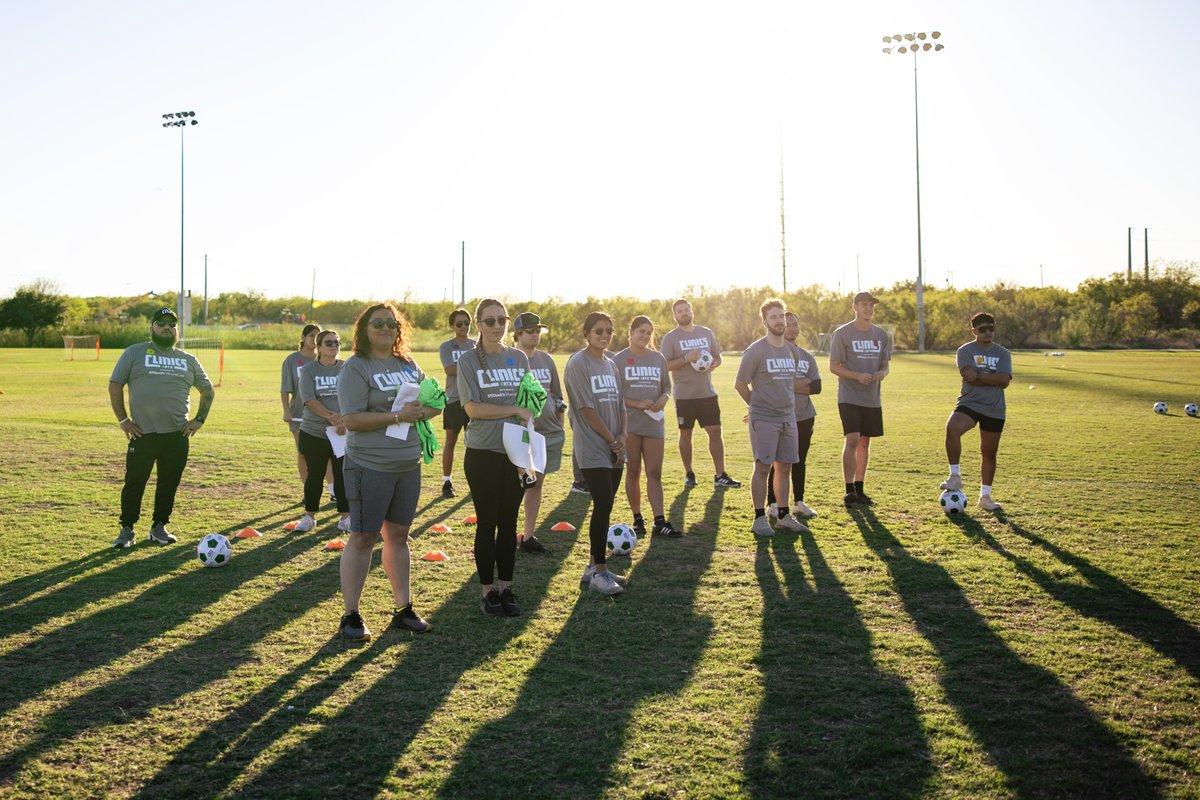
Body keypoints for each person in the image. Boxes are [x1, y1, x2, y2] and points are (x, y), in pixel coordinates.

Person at [336, 303, 438, 640]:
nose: (385, 329)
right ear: (364, 329)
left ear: (399, 329)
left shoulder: (408, 363)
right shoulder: (356, 367)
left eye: (391, 324)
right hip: (370, 464)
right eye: (377, 323)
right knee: (364, 537)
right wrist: (397, 417)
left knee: (398, 537)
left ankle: (402, 609)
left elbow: (427, 403)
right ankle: (351, 615)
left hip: (407, 465)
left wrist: (427, 409)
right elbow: (350, 419)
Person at [109, 307, 215, 548]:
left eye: (172, 324)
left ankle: (159, 527)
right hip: (143, 433)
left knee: (169, 482)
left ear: (177, 330)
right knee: (135, 482)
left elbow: (207, 390)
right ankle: (127, 530)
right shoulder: (134, 353)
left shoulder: (188, 359)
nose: (167, 327)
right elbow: (115, 385)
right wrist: (124, 420)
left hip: (177, 435)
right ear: (152, 328)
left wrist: (199, 419)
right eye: (161, 323)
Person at [457, 299, 531, 616]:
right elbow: (472, 408)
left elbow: (529, 404)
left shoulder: (519, 358)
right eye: (490, 321)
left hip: (514, 453)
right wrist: (513, 410)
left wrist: (530, 431)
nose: (497, 326)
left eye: (502, 319)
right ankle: (487, 593)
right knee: (487, 523)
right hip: (483, 452)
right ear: (479, 325)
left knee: (509, 521)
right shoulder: (469, 361)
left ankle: (506, 589)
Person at [565, 312, 629, 595]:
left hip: (615, 445)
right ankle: (600, 573)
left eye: (608, 331)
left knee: (607, 504)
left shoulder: (612, 364)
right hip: (593, 446)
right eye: (598, 331)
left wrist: (622, 437)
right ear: (587, 333)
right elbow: (586, 409)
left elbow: (621, 405)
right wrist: (610, 439)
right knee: (602, 503)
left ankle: (592, 567)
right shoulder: (578, 363)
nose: (604, 335)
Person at [735, 299, 809, 537]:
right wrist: (755, 407)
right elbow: (739, 384)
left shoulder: (792, 350)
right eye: (774, 317)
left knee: (785, 467)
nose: (779, 321)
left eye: (781, 316)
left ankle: (783, 516)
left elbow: (788, 385)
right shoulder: (756, 351)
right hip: (764, 419)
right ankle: (759, 518)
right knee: (763, 467)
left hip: (789, 417)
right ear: (765, 321)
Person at [659, 298, 741, 489]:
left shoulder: (706, 333)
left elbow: (718, 356)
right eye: (679, 311)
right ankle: (689, 473)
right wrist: (686, 358)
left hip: (707, 393)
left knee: (715, 431)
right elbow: (664, 365)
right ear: (675, 315)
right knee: (685, 433)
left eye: (686, 309)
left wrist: (714, 363)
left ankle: (720, 475)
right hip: (684, 395)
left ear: (691, 311)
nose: (684, 313)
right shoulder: (671, 338)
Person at [614, 315, 680, 539]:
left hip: (654, 424)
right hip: (629, 424)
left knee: (655, 472)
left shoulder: (658, 358)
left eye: (648, 332)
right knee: (633, 471)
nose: (644, 335)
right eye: (640, 331)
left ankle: (659, 521)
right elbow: (614, 396)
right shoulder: (619, 359)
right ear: (630, 333)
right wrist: (636, 403)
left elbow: (666, 387)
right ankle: (638, 518)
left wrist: (664, 398)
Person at [939, 312, 1012, 511]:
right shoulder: (965, 351)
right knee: (952, 428)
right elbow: (969, 377)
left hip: (994, 408)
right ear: (974, 331)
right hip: (970, 403)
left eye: (991, 328)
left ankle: (985, 498)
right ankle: (955, 476)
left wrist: (979, 375)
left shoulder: (1003, 353)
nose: (988, 332)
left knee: (988, 452)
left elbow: (1004, 380)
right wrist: (991, 377)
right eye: (983, 329)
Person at [828, 292, 891, 507]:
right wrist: (857, 376)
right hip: (849, 396)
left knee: (865, 442)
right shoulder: (842, 334)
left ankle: (860, 488)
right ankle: (849, 491)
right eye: (864, 305)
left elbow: (885, 364)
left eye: (871, 305)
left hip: (872, 398)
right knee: (852, 439)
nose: (868, 309)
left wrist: (882, 373)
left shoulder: (881, 335)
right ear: (855, 307)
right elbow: (834, 366)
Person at [512, 311, 565, 553]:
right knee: (517, 485)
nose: (535, 335)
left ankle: (528, 535)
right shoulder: (509, 359)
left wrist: (560, 422)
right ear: (518, 334)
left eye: (538, 331)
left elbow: (558, 396)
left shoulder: (546, 360)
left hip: (546, 432)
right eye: (530, 331)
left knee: (537, 483)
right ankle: (507, 532)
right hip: (519, 432)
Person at [295, 329, 351, 534]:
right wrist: (332, 417)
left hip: (342, 431)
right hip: (314, 431)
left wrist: (344, 419)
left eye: (337, 341)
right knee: (315, 475)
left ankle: (346, 517)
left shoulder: (347, 367)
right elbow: (309, 399)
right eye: (329, 343)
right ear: (318, 347)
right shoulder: (310, 370)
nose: (334, 345)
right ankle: (309, 516)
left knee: (343, 474)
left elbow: (354, 395)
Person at [767, 311, 821, 520]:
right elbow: (773, 384)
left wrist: (790, 385)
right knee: (778, 462)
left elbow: (817, 386)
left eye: (795, 324)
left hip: (805, 415)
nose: (792, 328)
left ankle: (799, 502)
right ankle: (772, 504)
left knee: (800, 460)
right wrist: (801, 382)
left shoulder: (807, 356)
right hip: (779, 415)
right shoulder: (774, 353)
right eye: (788, 324)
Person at [282, 324, 333, 497]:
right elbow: (285, 389)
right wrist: (286, 411)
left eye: (317, 336)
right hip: (299, 413)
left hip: (326, 414)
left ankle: (333, 490)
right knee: (303, 453)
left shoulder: (325, 359)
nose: (314, 339)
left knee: (329, 452)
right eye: (311, 335)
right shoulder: (292, 360)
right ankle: (307, 489)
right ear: (303, 338)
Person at [438, 308, 473, 498]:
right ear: (452, 325)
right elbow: (450, 369)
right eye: (459, 324)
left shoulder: (477, 345)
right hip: (454, 399)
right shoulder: (447, 346)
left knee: (474, 444)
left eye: (466, 323)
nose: (463, 327)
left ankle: (475, 482)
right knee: (451, 441)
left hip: (474, 401)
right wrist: (471, 368)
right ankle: (446, 482)